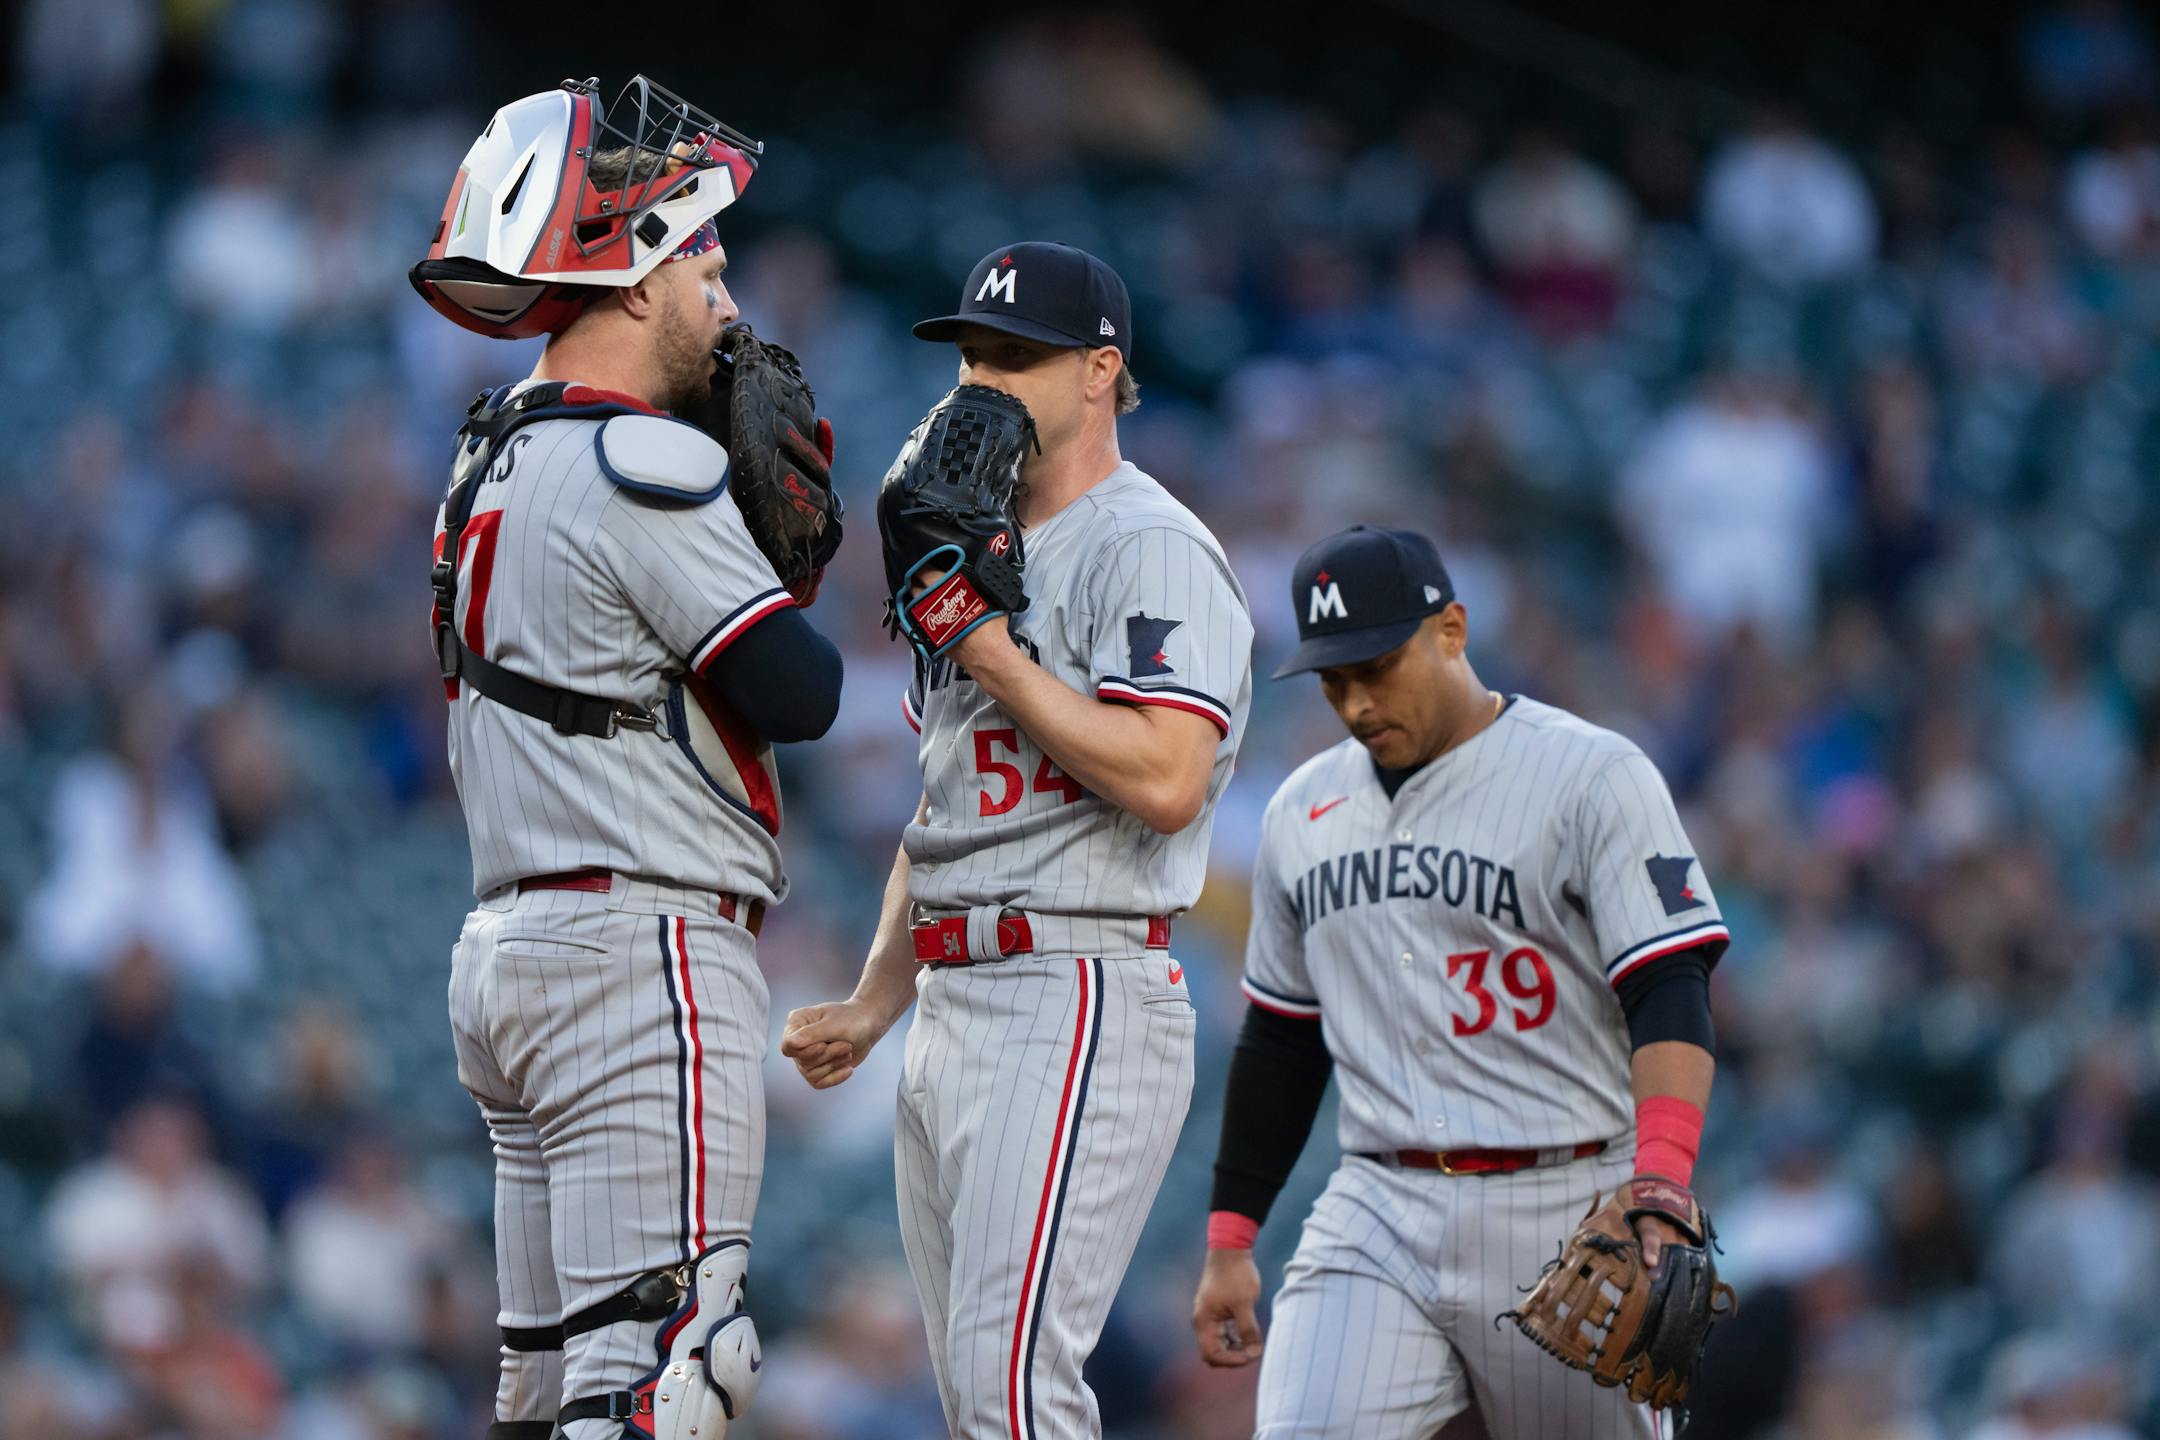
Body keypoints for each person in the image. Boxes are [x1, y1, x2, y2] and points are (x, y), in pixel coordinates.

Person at [412, 76, 844, 1440]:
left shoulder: (482, 458)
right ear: (637, 274)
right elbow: (802, 690)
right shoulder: (638, 461)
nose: (725, 299)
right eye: (705, 260)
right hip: (636, 955)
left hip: (509, 961)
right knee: (674, 1377)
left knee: (548, 1399)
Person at [780, 241, 1255, 1439]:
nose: (983, 383)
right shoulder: (974, 545)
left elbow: (1166, 776)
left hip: (1076, 982)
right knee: (976, 1403)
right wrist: (876, 1000)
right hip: (954, 995)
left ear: (1102, 372)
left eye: (1018, 359)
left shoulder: (1147, 544)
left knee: (1012, 1390)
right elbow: (948, 810)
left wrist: (985, 645)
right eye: (973, 356)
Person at [1191, 525, 1729, 1439]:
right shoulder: (1300, 812)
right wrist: (1231, 1237)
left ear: (1452, 629)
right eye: (1334, 679)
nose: (1356, 702)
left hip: (1568, 1196)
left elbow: (1668, 986)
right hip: (1378, 1204)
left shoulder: (1591, 774)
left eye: (1378, 665)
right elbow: (1281, 1039)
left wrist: (1663, 1182)